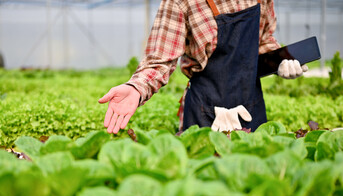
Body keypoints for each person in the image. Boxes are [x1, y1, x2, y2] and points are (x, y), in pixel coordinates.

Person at [99, 0, 307, 134]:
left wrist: (279, 61)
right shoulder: (182, 2)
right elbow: (160, 60)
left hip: (250, 106)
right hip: (205, 111)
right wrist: (136, 88)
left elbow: (263, 40)